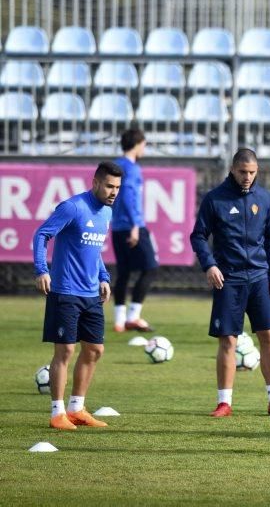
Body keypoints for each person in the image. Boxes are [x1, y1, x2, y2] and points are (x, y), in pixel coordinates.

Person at [190, 148, 270, 418]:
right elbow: (198, 236)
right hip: (230, 278)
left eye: (252, 172)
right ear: (233, 170)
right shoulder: (215, 199)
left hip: (260, 278)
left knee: (268, 337)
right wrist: (210, 265)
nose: (247, 177)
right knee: (228, 340)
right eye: (242, 172)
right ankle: (224, 402)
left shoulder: (265, 199)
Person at [33, 162, 122, 430]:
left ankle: (77, 408)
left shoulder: (106, 212)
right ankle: (57, 412)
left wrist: (104, 277)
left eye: (117, 187)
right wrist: (41, 269)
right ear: (95, 182)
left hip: (91, 294)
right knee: (66, 350)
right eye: (109, 186)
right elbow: (42, 234)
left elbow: (93, 251)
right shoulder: (72, 207)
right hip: (65, 291)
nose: (113, 192)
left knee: (95, 350)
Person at [111, 128, 158, 333]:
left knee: (124, 271)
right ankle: (133, 316)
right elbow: (130, 197)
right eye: (144, 145)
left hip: (116, 226)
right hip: (132, 225)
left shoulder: (114, 166)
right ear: (138, 144)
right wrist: (135, 226)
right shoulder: (131, 168)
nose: (144, 149)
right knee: (150, 268)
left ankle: (119, 320)